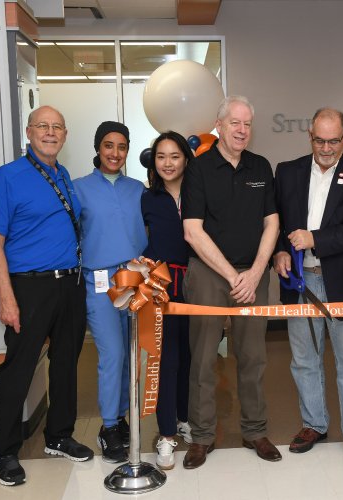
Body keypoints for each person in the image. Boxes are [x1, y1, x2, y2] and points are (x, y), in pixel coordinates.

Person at [0, 105, 93, 486]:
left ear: (65, 135)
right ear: (29, 132)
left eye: (57, 127)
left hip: (70, 283)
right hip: (29, 287)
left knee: (66, 362)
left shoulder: (62, 175)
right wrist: (6, 296)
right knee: (18, 367)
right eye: (43, 126)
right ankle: (5, 451)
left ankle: (59, 436)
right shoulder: (7, 177)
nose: (50, 132)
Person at [181, 95, 281, 469]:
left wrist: (255, 273)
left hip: (253, 274)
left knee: (253, 357)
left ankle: (255, 431)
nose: (241, 130)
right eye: (234, 123)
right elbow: (192, 231)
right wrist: (232, 275)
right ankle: (202, 436)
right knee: (204, 358)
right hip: (209, 274)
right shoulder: (200, 169)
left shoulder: (261, 166)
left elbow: (272, 223)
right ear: (218, 125)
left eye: (247, 124)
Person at [273, 107, 343, 461]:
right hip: (300, 282)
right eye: (321, 140)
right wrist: (279, 253)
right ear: (310, 136)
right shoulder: (287, 172)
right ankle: (314, 423)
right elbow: (274, 222)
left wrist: (312, 238)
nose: (327, 147)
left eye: (334, 140)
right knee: (303, 359)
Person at [73, 121, 147, 463]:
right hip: (99, 283)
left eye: (121, 146)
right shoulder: (78, 189)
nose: (114, 153)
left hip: (135, 283)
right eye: (108, 146)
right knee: (113, 354)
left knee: (131, 355)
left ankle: (122, 417)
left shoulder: (139, 190)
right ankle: (110, 425)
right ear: (98, 148)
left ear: (128, 150)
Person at [141, 131, 194, 470]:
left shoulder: (200, 195)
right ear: (153, 161)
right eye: (161, 156)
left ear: (186, 159)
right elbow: (139, 242)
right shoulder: (147, 199)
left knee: (193, 355)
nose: (168, 163)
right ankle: (166, 432)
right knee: (167, 358)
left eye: (174, 156)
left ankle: (186, 417)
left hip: (201, 284)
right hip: (162, 286)